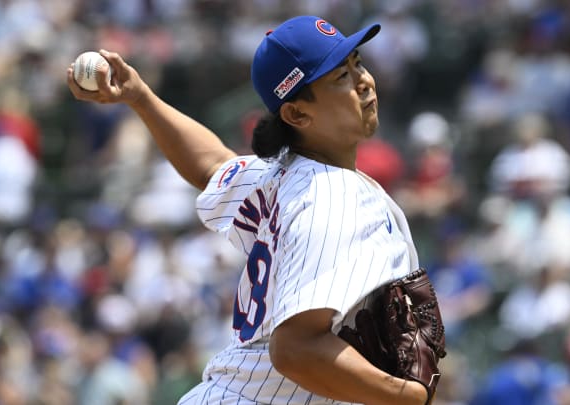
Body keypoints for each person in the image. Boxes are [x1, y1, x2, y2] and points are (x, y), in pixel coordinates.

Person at [67, 15, 432, 405]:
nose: (363, 81)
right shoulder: (334, 196)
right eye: (340, 77)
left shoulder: (283, 175)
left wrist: (141, 98)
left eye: (356, 62)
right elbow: (295, 349)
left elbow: (211, 166)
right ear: (296, 114)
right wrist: (405, 397)